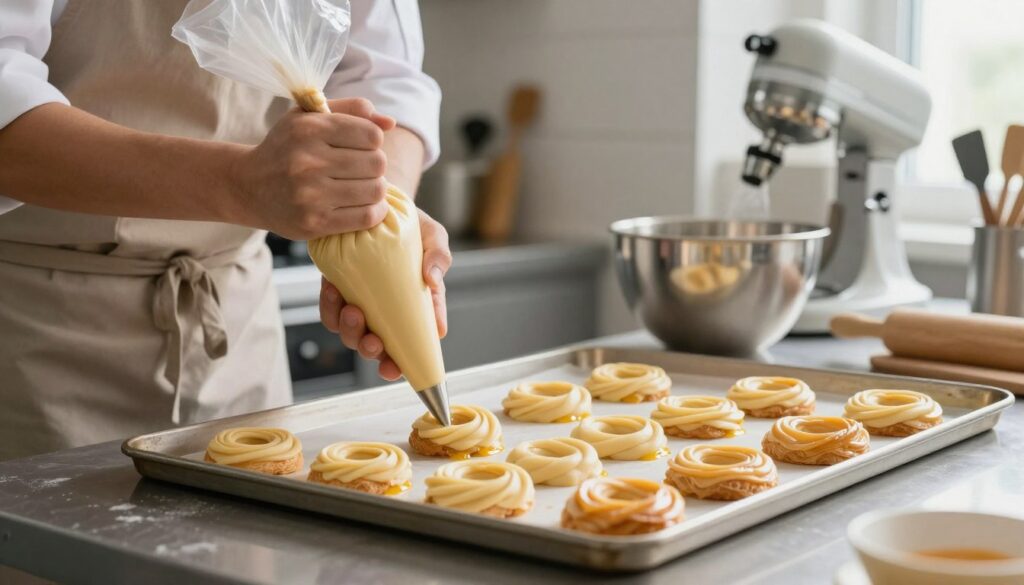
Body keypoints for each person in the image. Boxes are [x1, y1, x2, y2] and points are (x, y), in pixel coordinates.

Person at [0, 0, 448, 460]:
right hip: (40, 340)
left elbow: (385, 79)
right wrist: (238, 185)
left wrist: (371, 214)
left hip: (238, 331)